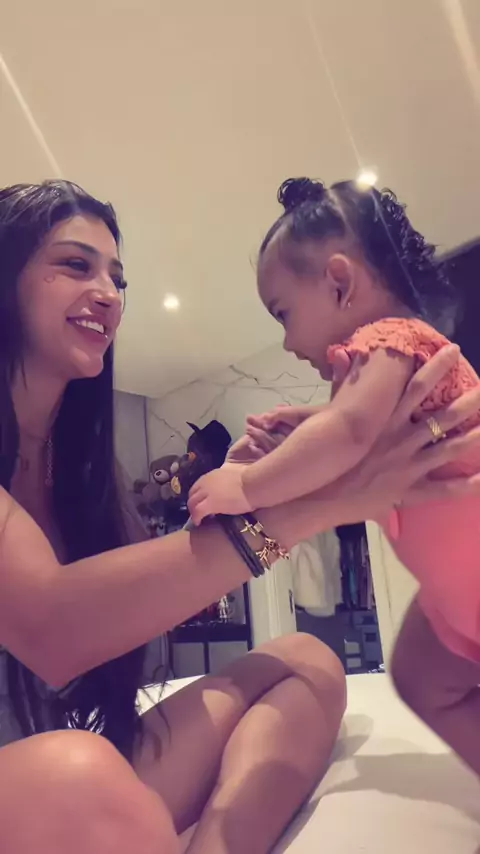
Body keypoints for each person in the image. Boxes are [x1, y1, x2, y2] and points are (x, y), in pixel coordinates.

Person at [0, 181, 479, 854]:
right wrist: (315, 502)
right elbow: (53, 629)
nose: (108, 294)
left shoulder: (77, 468)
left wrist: (261, 481)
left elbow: (122, 603)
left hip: (80, 757)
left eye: (118, 277)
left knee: (305, 659)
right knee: (78, 771)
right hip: (48, 775)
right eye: (76, 265)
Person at [188, 176, 480, 781]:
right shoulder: (384, 361)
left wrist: (248, 484)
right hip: (453, 599)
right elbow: (351, 431)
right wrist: (308, 424)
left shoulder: (389, 338)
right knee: (418, 680)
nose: (287, 341)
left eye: (284, 314)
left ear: (341, 284)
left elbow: (348, 434)